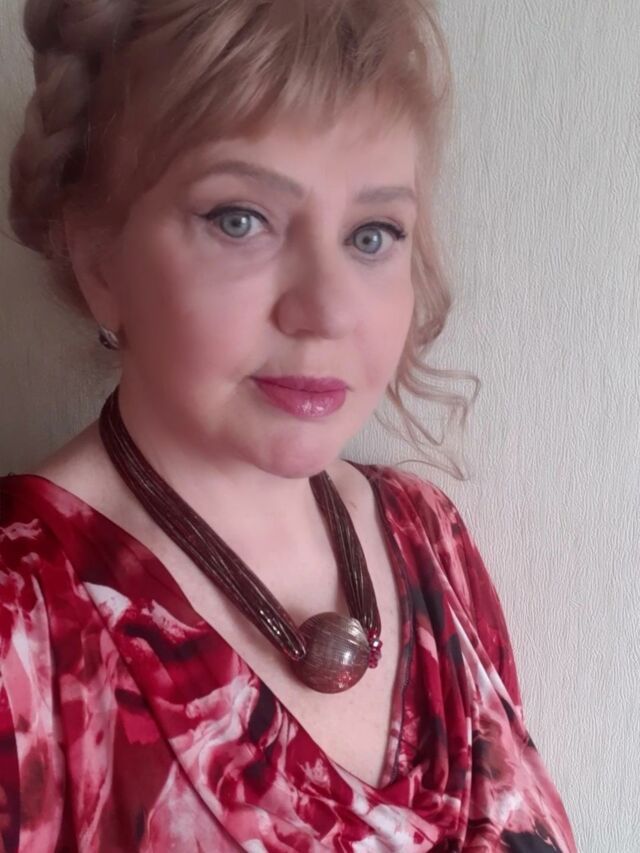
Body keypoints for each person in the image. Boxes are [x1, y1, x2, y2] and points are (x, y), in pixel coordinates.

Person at [0, 0, 578, 850]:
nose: (328, 309)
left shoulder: (431, 537)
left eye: (372, 234)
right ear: (98, 257)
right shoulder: (25, 617)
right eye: (241, 219)